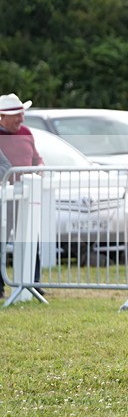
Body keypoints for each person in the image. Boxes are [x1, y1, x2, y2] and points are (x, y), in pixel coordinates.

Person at [0, 93, 44, 298]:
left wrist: (41, 168)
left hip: (26, 196)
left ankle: (32, 283)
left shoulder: (26, 133)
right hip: (4, 197)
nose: (22, 119)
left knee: (29, 240)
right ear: (2, 117)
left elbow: (37, 159)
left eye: (22, 114)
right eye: (17, 115)